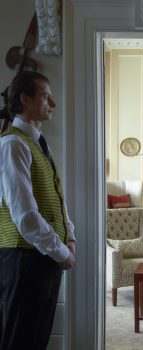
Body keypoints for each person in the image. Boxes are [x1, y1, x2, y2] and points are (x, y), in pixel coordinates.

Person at [0, 71, 76, 350]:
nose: (52, 103)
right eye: (45, 97)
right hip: (23, 260)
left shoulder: (38, 143)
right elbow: (25, 216)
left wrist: (70, 239)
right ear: (25, 99)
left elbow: (56, 197)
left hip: (43, 257)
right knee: (20, 341)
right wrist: (60, 251)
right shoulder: (12, 144)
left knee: (36, 338)